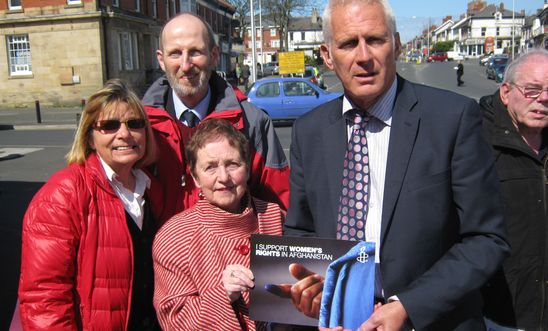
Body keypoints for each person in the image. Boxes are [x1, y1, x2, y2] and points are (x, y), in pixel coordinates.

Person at [283, 0, 510, 330]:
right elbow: (301, 231)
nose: (363, 56)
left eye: (375, 39)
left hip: (433, 321)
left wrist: (408, 306)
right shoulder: (308, 131)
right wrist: (312, 289)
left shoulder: (453, 119)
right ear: (328, 55)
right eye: (348, 43)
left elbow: (487, 238)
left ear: (398, 44)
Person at [18, 79, 166, 330]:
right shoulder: (62, 195)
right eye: (109, 126)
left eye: (134, 123)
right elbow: (44, 298)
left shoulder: (152, 188)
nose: (124, 133)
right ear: (89, 138)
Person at [142, 12, 289, 219]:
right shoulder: (138, 126)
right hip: (163, 250)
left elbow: (278, 205)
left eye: (195, 52)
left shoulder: (252, 122)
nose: (185, 65)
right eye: (175, 53)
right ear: (161, 60)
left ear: (214, 55)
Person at [152, 118, 284, 330]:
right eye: (210, 167)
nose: (224, 177)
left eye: (233, 164)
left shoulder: (275, 217)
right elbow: (173, 319)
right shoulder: (174, 237)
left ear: (248, 169)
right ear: (195, 177)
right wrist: (222, 294)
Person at [479, 49, 548, 330]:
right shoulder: (474, 139)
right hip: (498, 314)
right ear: (505, 93)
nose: (543, 99)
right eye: (532, 90)